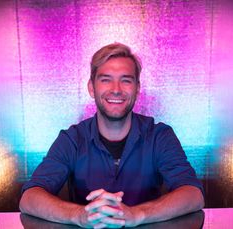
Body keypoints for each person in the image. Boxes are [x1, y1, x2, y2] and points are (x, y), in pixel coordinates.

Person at [19, 43, 204, 228]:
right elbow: (29, 199)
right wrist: (80, 216)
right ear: (92, 88)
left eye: (126, 80)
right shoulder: (72, 139)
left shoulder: (159, 136)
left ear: (137, 88)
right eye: (106, 79)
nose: (116, 89)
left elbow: (194, 195)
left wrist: (136, 215)